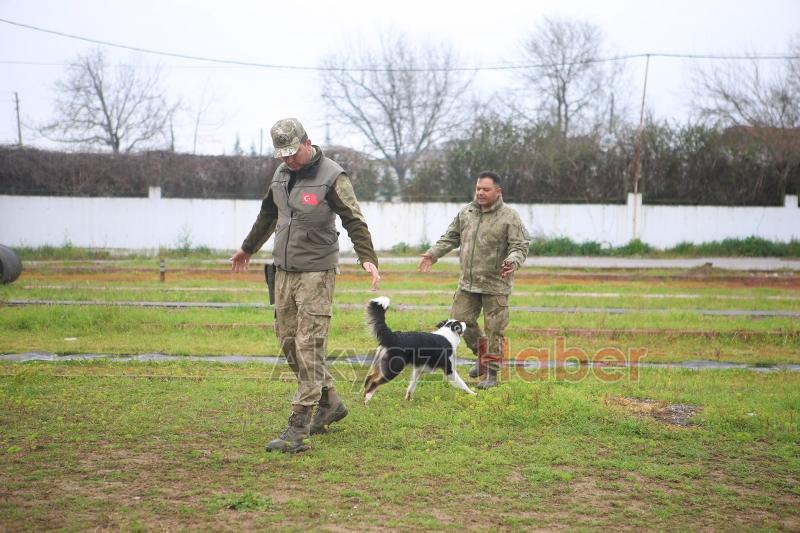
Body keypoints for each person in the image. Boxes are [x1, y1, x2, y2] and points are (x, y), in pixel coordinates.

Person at [231, 118, 380, 453]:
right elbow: (268, 214)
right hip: (284, 271)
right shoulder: (281, 174)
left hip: (317, 272)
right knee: (288, 342)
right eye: (282, 154)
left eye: (292, 152)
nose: (288, 159)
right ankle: (330, 402)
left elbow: (354, 219)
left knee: (309, 345)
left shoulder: (332, 176)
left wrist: (367, 257)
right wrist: (247, 248)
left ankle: (298, 428)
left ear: (307, 142)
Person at [418, 171, 530, 389]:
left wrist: (512, 261)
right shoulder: (467, 212)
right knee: (460, 321)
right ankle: (482, 355)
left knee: (494, 329)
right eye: (478, 188)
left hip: (496, 284)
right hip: (468, 284)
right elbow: (451, 237)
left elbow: (520, 246)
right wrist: (433, 254)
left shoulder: (510, 216)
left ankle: (492, 375)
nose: (480, 192)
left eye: (486, 189)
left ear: (498, 191)